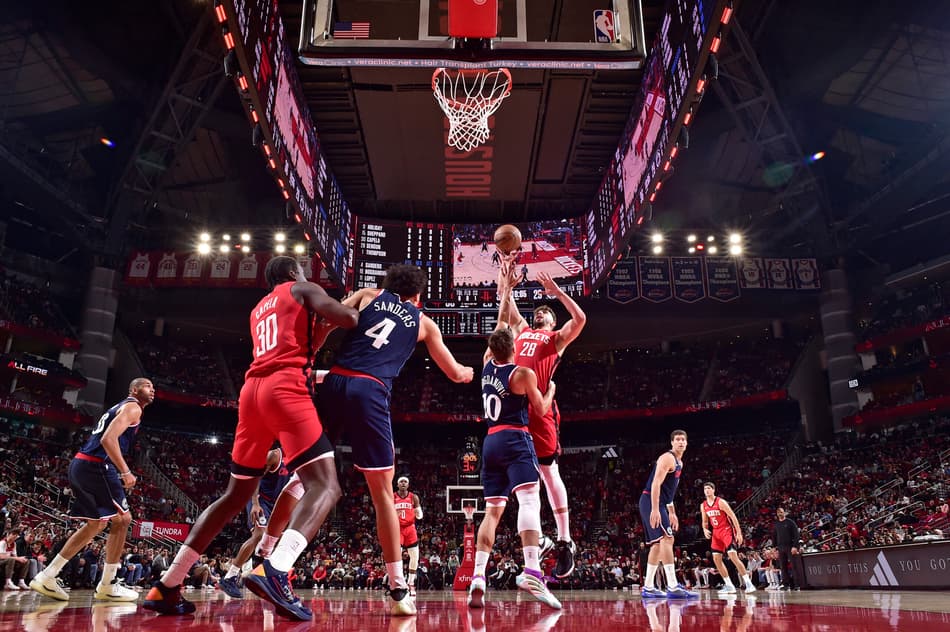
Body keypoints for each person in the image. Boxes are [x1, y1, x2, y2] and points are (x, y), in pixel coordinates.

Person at [143, 256, 358, 621]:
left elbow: (302, 344)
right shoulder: (303, 288)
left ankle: (168, 584)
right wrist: (353, 303)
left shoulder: (259, 308)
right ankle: (275, 568)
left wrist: (323, 330)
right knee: (325, 486)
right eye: (303, 271)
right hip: (284, 389)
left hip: (252, 392)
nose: (307, 276)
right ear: (291, 273)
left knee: (234, 496)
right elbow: (349, 319)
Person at [316, 263, 474, 615]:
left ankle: (267, 559)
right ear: (418, 295)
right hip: (369, 390)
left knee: (307, 473)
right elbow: (454, 373)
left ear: (388, 284)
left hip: (335, 381)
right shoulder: (424, 323)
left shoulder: (367, 295)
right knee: (383, 495)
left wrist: (310, 361)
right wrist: (468, 372)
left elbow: (326, 321)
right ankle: (398, 588)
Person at [469, 268, 559, 610]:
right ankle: (532, 570)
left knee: (492, 512)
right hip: (516, 438)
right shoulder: (522, 373)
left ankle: (478, 576)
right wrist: (550, 391)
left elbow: (500, 324)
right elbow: (541, 408)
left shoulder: (486, 364)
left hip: (489, 441)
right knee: (530, 501)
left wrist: (506, 290)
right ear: (515, 349)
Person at [30, 378, 155, 602]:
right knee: (123, 520)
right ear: (134, 389)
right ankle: (108, 584)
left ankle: (47, 575)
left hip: (82, 464)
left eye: (153, 387)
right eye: (147, 386)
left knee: (97, 524)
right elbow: (108, 439)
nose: (152, 390)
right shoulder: (133, 407)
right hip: (96, 465)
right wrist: (125, 471)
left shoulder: (120, 407)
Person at [502, 265, 587, 578]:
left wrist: (558, 293)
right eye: (538, 311)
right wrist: (507, 284)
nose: (540, 313)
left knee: (549, 471)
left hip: (540, 409)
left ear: (552, 322)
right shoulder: (523, 330)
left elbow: (580, 319)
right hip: (516, 408)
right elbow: (506, 308)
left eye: (546, 312)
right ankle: (540, 541)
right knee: (525, 480)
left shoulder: (555, 339)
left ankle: (565, 540)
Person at [218, 447, 288, 598]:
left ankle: (265, 577)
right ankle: (230, 576)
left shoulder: (298, 460)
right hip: (260, 500)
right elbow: (255, 477)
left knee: (275, 540)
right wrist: (255, 503)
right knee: (259, 535)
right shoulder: (274, 455)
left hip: (276, 505)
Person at [638, 430, 697, 599]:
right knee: (668, 539)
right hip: (651, 500)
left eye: (683, 439)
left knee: (657, 545)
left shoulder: (679, 463)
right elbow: (656, 483)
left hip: (659, 502)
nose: (681, 442)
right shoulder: (667, 458)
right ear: (672, 443)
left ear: (687, 443)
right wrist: (655, 509)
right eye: (677, 439)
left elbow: (669, 491)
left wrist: (672, 512)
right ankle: (672, 585)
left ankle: (648, 587)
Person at [700, 482, 756, 594]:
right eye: (705, 489)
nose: (707, 490)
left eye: (709, 488)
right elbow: (705, 521)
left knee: (733, 557)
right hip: (716, 533)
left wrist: (739, 533)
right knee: (716, 559)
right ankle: (729, 585)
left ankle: (749, 583)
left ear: (713, 490)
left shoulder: (720, 502)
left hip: (726, 530)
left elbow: (733, 517)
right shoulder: (703, 505)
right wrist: (705, 529)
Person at [393, 476, 423, 596]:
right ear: (397, 484)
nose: (403, 483)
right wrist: (394, 515)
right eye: (401, 482)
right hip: (398, 528)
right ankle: (399, 582)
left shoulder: (413, 497)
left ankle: (411, 583)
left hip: (410, 528)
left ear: (408, 485)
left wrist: (418, 513)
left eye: (405, 482)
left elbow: (420, 516)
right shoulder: (392, 496)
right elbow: (387, 513)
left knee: (415, 556)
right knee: (397, 556)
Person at [772, 507, 800, 590]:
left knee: (794, 566)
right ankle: (786, 585)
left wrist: (795, 546)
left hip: (790, 546)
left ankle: (797, 585)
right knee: (783, 567)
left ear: (784, 513)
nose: (780, 514)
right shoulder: (776, 524)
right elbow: (774, 536)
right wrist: (774, 547)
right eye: (778, 512)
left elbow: (796, 534)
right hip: (780, 547)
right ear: (777, 514)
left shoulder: (790, 522)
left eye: (781, 512)